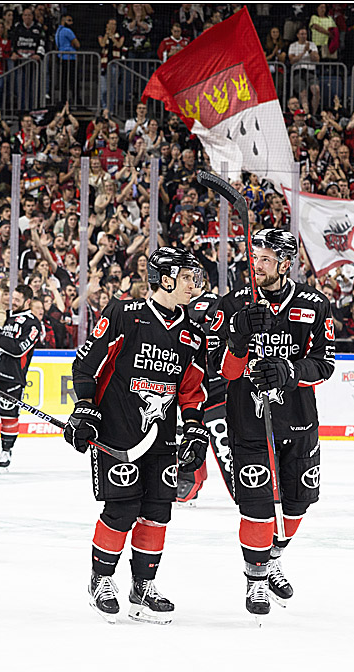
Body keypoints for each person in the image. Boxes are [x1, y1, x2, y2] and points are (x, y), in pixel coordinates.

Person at [66, 247, 210, 624]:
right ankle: (101, 580)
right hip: (117, 434)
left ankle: (143, 586)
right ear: (165, 280)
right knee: (122, 509)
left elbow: (191, 390)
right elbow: (86, 365)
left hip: (161, 439)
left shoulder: (193, 334)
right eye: (186, 277)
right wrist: (85, 409)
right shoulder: (123, 314)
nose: (193, 284)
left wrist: (195, 429)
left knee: (158, 512)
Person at [212, 228, 335, 623]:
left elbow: (325, 365)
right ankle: (256, 580)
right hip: (249, 422)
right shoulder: (234, 304)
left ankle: (272, 556)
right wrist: (239, 337)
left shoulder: (315, 304)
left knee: (299, 503)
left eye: (265, 259)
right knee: (258, 506)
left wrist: (288, 371)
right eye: (255, 257)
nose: (257, 265)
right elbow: (224, 371)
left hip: (298, 421)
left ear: (285, 264)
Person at [177, 274, 235, 505]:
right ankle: (188, 481)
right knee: (185, 438)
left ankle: (241, 486)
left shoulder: (215, 304)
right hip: (187, 389)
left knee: (224, 444)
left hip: (216, 388)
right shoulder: (173, 306)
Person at [0, 285, 46, 470]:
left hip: (12, 377)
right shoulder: (5, 315)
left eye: (17, 300)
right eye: (12, 298)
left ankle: (6, 450)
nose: (12, 302)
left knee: (9, 415)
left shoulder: (33, 324)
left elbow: (18, 349)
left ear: (27, 301)